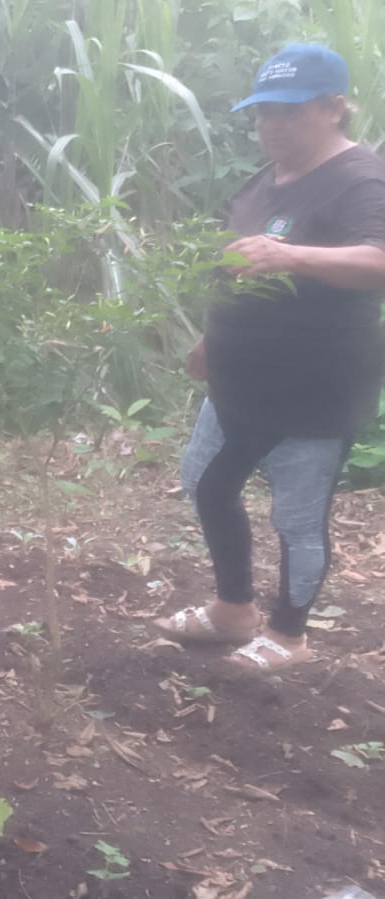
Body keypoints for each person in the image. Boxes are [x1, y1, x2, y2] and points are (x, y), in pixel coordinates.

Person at [152, 44, 385, 672]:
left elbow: (380, 258)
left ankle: (289, 637)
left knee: (297, 517)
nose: (272, 124)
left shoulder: (362, 178)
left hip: (315, 386)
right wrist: (211, 338)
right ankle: (233, 610)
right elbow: (237, 265)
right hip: (238, 377)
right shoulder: (263, 180)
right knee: (206, 482)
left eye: (290, 110)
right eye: (263, 112)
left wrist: (294, 256)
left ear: (334, 108)